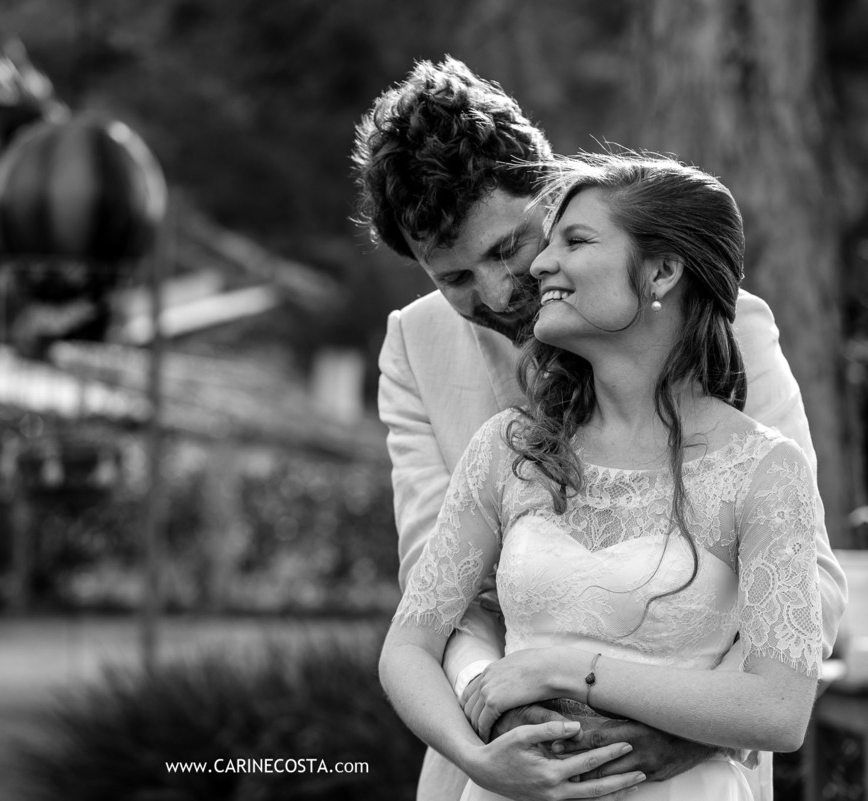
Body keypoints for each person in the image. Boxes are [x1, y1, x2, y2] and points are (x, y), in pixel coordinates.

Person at [351, 57, 847, 801]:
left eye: (506, 248)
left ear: (549, 198)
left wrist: (684, 730)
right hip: (505, 761)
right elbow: (439, 591)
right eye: (453, 277)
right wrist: (506, 709)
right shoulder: (416, 348)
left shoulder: (730, 329)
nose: (498, 292)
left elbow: (810, 583)